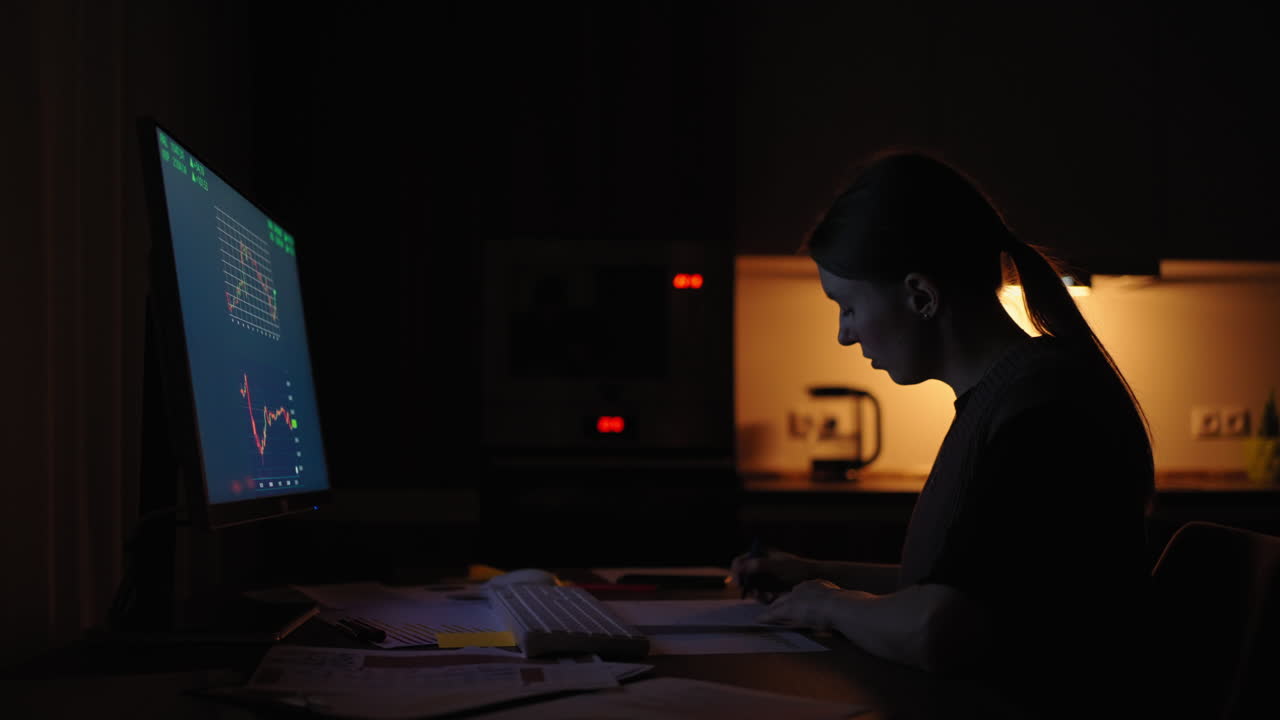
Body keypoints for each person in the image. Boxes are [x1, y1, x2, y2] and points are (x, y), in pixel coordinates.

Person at [732, 150, 1155, 718]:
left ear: (922, 296)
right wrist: (817, 576)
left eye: (848, 307)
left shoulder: (1042, 413)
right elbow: (971, 589)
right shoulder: (1012, 392)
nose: (843, 335)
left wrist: (830, 607)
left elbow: (940, 627)